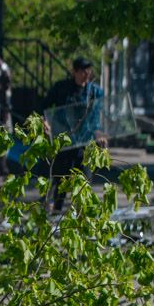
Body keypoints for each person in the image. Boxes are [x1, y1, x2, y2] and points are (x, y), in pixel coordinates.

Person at [42, 56, 105, 211]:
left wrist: (100, 135)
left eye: (88, 70)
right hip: (64, 141)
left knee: (83, 181)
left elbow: (96, 118)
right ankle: (57, 212)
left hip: (85, 142)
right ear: (74, 72)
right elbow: (44, 106)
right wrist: (45, 121)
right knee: (61, 181)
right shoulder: (61, 88)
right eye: (83, 70)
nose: (86, 73)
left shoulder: (94, 92)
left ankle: (80, 216)